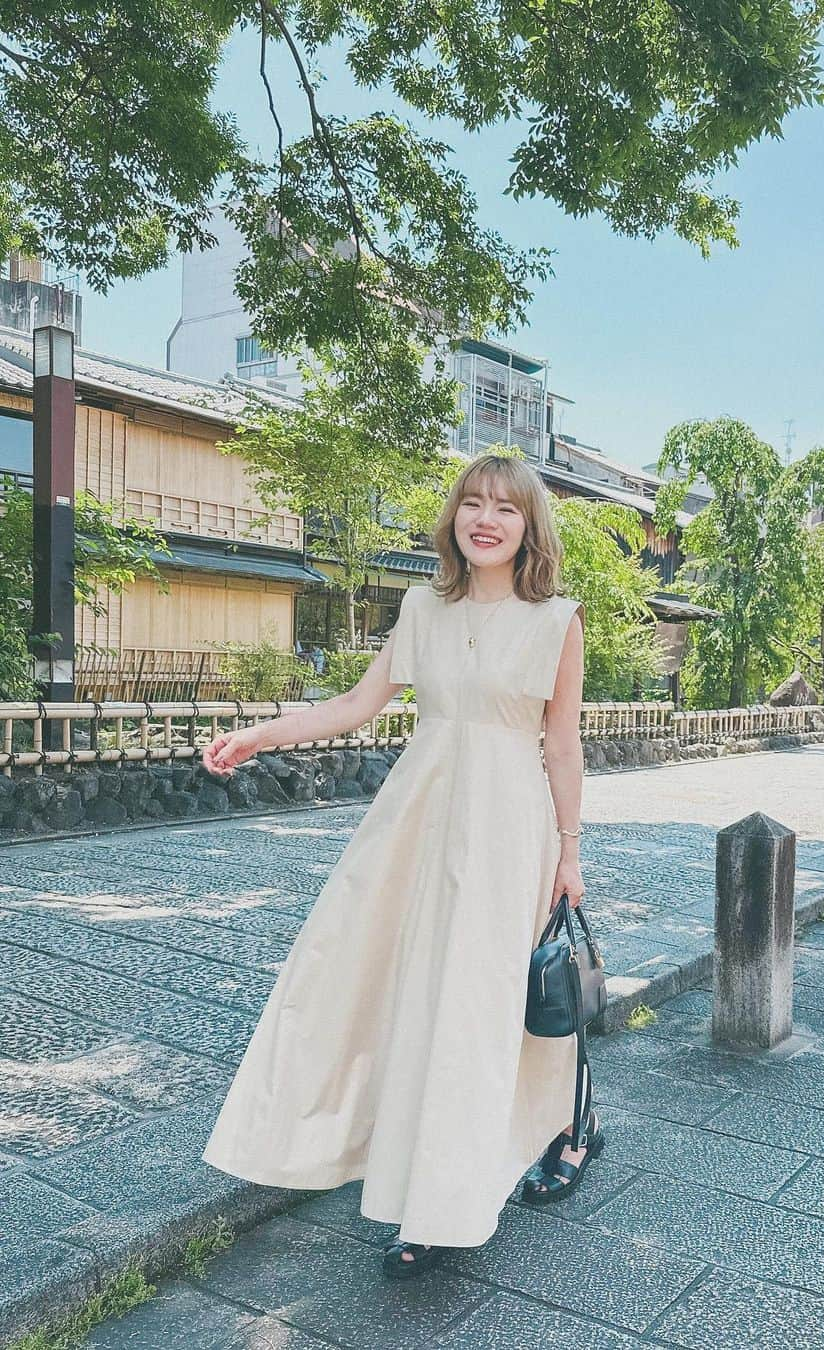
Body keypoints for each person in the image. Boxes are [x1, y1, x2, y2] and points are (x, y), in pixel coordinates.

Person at [199, 454, 596, 1280]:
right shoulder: (422, 605)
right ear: (454, 518)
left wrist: (569, 851)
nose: (485, 519)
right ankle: (423, 1193)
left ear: (530, 527)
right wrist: (258, 735)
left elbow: (562, 745)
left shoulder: (558, 620)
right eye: (473, 504)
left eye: (506, 509)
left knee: (480, 1008)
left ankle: (496, 1168)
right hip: (418, 822)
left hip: (505, 832)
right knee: (394, 991)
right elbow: (356, 704)